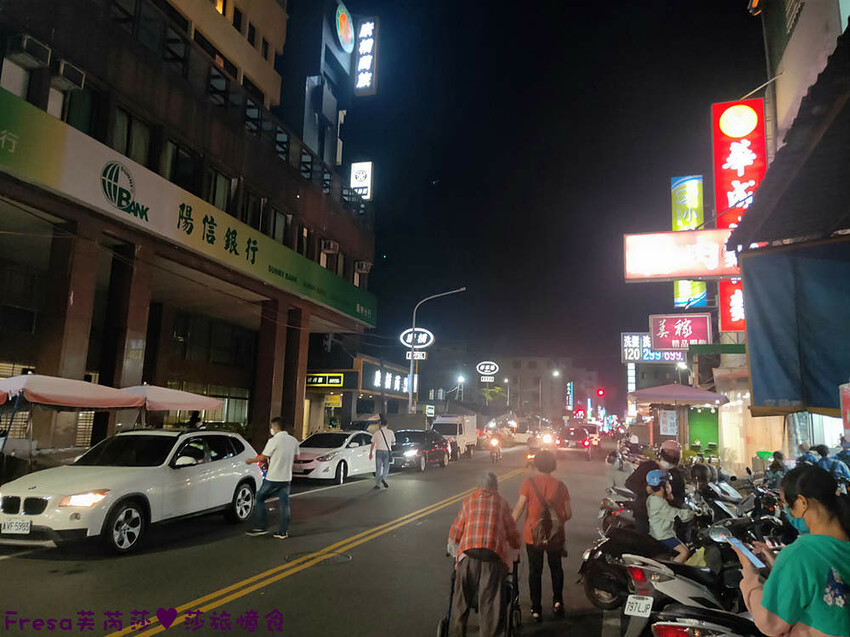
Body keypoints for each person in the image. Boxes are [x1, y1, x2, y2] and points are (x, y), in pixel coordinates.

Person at [735, 465, 850, 637]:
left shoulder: (801, 553)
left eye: (787, 505)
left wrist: (749, 572)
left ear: (802, 502)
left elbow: (770, 621)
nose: (787, 511)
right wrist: (777, 563)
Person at [447, 472, 521, 637]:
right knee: (490, 604)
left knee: (460, 600)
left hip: (468, 556)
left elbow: (456, 531)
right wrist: (516, 548)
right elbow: (513, 534)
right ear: (496, 487)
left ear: (478, 487)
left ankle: (457, 632)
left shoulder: (469, 501)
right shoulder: (502, 503)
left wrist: (452, 547)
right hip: (492, 559)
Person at [512, 450, 571, 623]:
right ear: (553, 465)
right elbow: (568, 513)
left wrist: (508, 525)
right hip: (555, 536)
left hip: (533, 535)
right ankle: (558, 603)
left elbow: (519, 508)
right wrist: (555, 520)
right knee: (556, 569)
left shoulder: (529, 483)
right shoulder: (561, 486)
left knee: (535, 571)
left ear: (536, 464)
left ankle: (536, 610)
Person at [245, 417, 300, 539]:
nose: (271, 429)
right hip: (286, 478)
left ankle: (260, 526)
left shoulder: (273, 441)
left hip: (273, 478)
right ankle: (283, 532)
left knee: (259, 498)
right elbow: (296, 457)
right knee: (284, 504)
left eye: (272, 427)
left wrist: (250, 461)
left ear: (275, 427)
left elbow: (263, 457)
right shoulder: (293, 441)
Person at [626, 440, 685, 535]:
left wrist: (672, 498)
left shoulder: (677, 475)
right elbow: (630, 483)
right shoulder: (647, 467)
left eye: (675, 454)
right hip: (644, 514)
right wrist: (645, 490)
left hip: (665, 518)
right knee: (644, 540)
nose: (672, 457)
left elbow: (680, 498)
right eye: (669, 453)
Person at [646, 469, 694, 563]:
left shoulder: (653, 497)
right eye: (668, 484)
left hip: (661, 531)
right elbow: (676, 513)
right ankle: (672, 568)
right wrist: (693, 513)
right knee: (684, 552)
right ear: (661, 487)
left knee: (684, 549)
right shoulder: (658, 502)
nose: (670, 486)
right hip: (663, 535)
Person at [369, 414, 396, 490]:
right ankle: (384, 478)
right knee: (386, 467)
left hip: (379, 451)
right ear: (387, 425)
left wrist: (370, 453)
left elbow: (373, 443)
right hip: (387, 451)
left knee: (378, 468)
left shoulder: (376, 432)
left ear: (380, 425)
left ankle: (377, 484)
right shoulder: (390, 432)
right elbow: (393, 441)